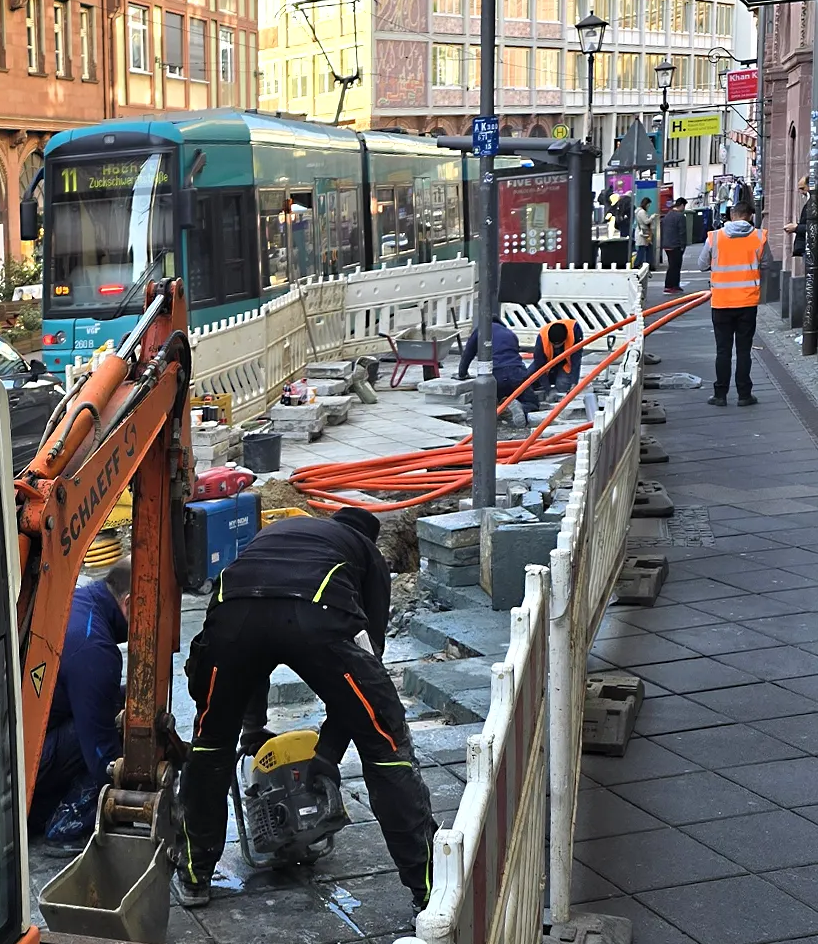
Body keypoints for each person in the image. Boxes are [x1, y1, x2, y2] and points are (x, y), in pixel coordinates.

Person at [176, 507, 436, 910]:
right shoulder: (366, 553)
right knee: (384, 744)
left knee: (210, 743)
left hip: (233, 618)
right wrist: (329, 752)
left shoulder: (279, 534)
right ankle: (429, 888)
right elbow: (367, 665)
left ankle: (194, 876)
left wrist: (250, 727)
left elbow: (255, 644)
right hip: (317, 612)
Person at [28, 559, 132, 840]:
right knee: (118, 728)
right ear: (130, 604)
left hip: (15, 745)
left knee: (120, 701)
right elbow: (104, 759)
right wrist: (131, 795)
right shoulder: (95, 649)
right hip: (25, 767)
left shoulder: (80, 597)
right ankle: (65, 824)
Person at [698, 195, 773, 407]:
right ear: (750, 217)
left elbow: (702, 264)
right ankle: (744, 395)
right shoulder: (759, 237)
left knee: (722, 350)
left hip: (721, 302)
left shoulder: (715, 237)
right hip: (747, 303)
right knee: (743, 350)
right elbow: (767, 263)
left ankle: (720, 395)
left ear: (731, 216)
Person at [457, 314, 536, 413]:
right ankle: (519, 407)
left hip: (496, 375)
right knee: (532, 403)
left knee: (486, 403)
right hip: (517, 373)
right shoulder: (510, 333)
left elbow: (468, 354)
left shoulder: (482, 330)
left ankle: (496, 407)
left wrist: (462, 374)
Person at [528, 315, 585, 396]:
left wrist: (574, 383)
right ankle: (540, 384)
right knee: (527, 379)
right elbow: (539, 366)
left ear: (565, 339)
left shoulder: (575, 331)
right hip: (547, 362)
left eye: (558, 345)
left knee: (562, 385)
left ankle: (556, 380)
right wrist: (548, 390)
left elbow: (576, 360)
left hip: (565, 363)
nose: (555, 347)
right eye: (553, 344)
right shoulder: (542, 339)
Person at [660, 198, 689, 294]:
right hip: (676, 244)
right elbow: (682, 232)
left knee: (672, 264)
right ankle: (670, 285)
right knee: (675, 265)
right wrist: (683, 245)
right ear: (681, 205)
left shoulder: (668, 215)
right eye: (684, 206)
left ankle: (674, 285)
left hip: (667, 244)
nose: (684, 208)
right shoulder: (680, 216)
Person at [633, 196, 655, 270]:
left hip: (641, 232)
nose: (649, 206)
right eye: (648, 204)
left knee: (645, 248)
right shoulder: (642, 212)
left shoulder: (638, 211)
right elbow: (646, 221)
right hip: (642, 233)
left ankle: (645, 263)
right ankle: (637, 264)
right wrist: (652, 217)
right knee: (642, 249)